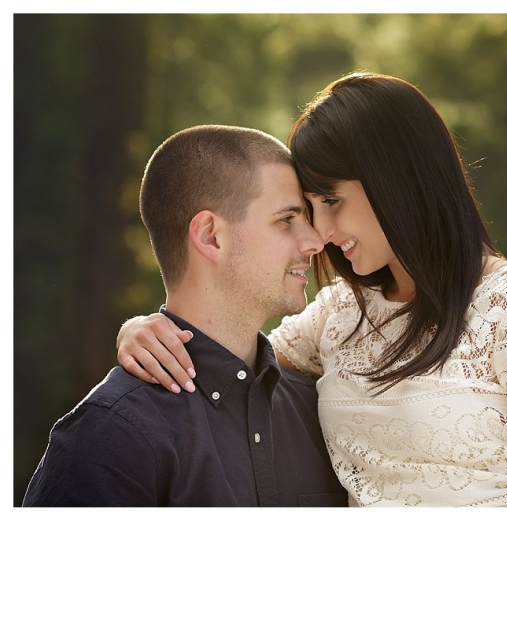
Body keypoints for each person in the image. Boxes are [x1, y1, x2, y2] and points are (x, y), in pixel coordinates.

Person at [116, 73, 507, 507]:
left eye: (332, 199)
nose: (322, 231)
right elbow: (230, 366)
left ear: (398, 178)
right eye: (310, 207)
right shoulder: (340, 314)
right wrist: (146, 328)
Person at [23, 124, 347, 507]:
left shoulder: (322, 409)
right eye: (287, 220)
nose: (314, 241)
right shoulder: (110, 433)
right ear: (211, 236)